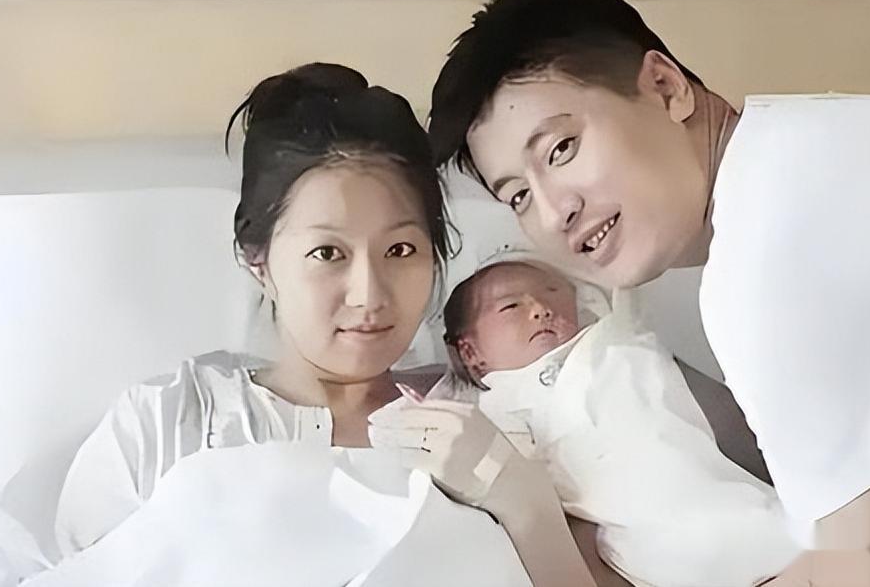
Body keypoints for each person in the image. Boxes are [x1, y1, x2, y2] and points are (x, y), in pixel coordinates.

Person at [426, 0, 870, 586]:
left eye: (561, 149)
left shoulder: (769, 266)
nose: (553, 212)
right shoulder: (795, 145)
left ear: (666, 87)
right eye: (518, 196)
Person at [53, 63, 605, 586]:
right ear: (259, 260)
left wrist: (528, 508)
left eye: (400, 249)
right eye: (327, 253)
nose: (370, 294)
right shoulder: (171, 424)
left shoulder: (503, 415)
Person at [438, 259, 802, 586]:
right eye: (511, 306)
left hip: (762, 522)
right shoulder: (489, 421)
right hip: (662, 561)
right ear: (471, 352)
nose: (541, 309)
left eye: (552, 292)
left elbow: (625, 286)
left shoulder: (616, 342)